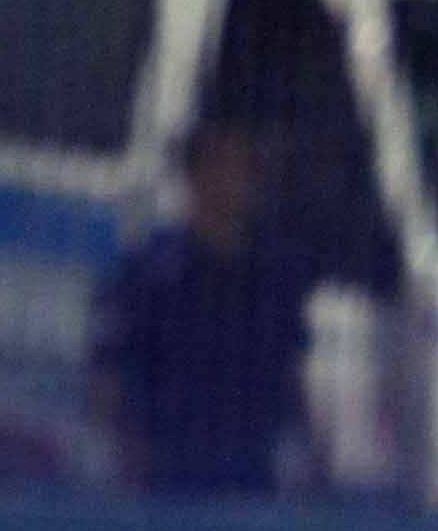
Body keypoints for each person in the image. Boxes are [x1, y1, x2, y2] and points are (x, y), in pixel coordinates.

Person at [89, 117, 317, 498]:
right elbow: (111, 363)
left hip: (249, 460)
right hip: (167, 462)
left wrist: (306, 445)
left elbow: (293, 367)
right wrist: (123, 446)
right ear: (194, 176)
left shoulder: (274, 273)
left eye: (245, 168)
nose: (235, 181)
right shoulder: (152, 269)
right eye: (222, 166)